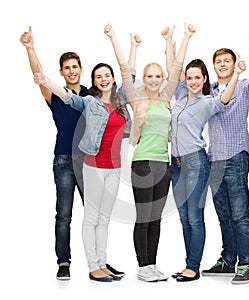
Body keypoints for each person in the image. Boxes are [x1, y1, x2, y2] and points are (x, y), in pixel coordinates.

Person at [20, 26, 135, 281]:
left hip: (90, 162)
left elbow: (117, 89)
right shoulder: (57, 95)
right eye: (67, 68)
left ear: (81, 70)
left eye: (75, 67)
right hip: (63, 159)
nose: (71, 71)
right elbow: (40, 77)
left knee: (96, 213)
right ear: (62, 72)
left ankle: (99, 261)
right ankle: (64, 261)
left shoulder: (91, 95)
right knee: (64, 213)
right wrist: (30, 48)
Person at [105, 22, 195, 282]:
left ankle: (152, 265)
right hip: (142, 163)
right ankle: (143, 266)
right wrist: (116, 38)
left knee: (155, 217)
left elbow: (177, 70)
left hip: (163, 163)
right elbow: (124, 71)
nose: (155, 79)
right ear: (144, 79)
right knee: (143, 215)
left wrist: (185, 37)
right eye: (150, 76)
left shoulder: (167, 96)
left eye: (158, 75)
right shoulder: (137, 97)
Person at [163, 28, 246, 282]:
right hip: (175, 164)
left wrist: (238, 74)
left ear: (204, 79)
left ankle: (193, 267)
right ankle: (188, 263)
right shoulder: (177, 94)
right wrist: (172, 41)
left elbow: (225, 99)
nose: (193, 81)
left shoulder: (208, 101)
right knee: (183, 218)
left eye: (198, 78)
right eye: (190, 77)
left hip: (196, 162)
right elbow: (172, 68)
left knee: (194, 217)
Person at [201, 30, 249, 284]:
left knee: (240, 213)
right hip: (214, 160)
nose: (222, 64)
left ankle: (245, 263)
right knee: (223, 214)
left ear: (233, 64)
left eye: (226, 61)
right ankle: (228, 260)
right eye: (218, 61)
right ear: (214, 66)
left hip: (236, 157)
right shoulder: (209, 91)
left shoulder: (242, 86)